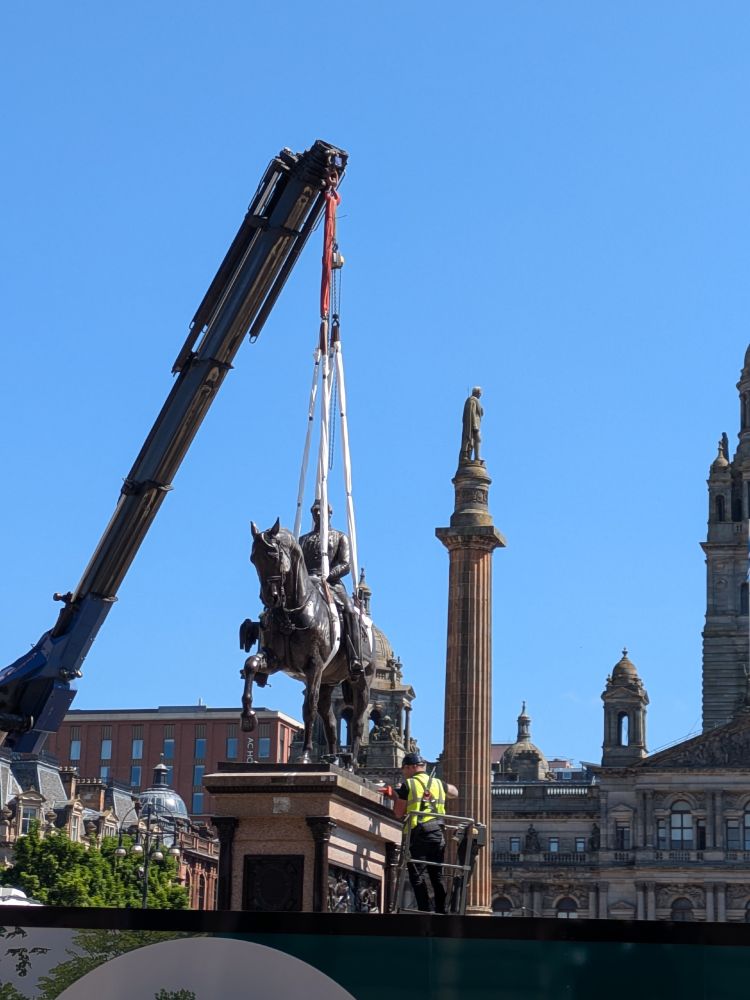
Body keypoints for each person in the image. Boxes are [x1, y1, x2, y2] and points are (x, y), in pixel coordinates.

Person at [299, 500, 364, 677]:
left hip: (331, 583)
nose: (317, 514)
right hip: (306, 583)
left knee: (350, 612)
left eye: (321, 511)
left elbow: (345, 564)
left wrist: (327, 576)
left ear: (329, 513)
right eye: (314, 511)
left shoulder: (340, 537)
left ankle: (354, 657)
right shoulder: (302, 540)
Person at [390, 752, 458, 913]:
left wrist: (397, 796)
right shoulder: (437, 783)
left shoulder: (408, 785)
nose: (403, 773)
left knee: (416, 874)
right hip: (438, 834)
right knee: (437, 875)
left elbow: (398, 813)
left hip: (418, 834)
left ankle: (424, 908)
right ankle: (441, 910)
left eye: (404, 769)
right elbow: (455, 792)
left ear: (412, 767)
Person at [459, 386, 483, 464]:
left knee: (477, 440)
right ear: (476, 392)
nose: (480, 395)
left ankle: (476, 457)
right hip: (473, 425)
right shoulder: (472, 400)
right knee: (477, 439)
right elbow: (471, 413)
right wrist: (474, 425)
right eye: (480, 393)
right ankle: (473, 456)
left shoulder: (475, 400)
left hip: (476, 424)